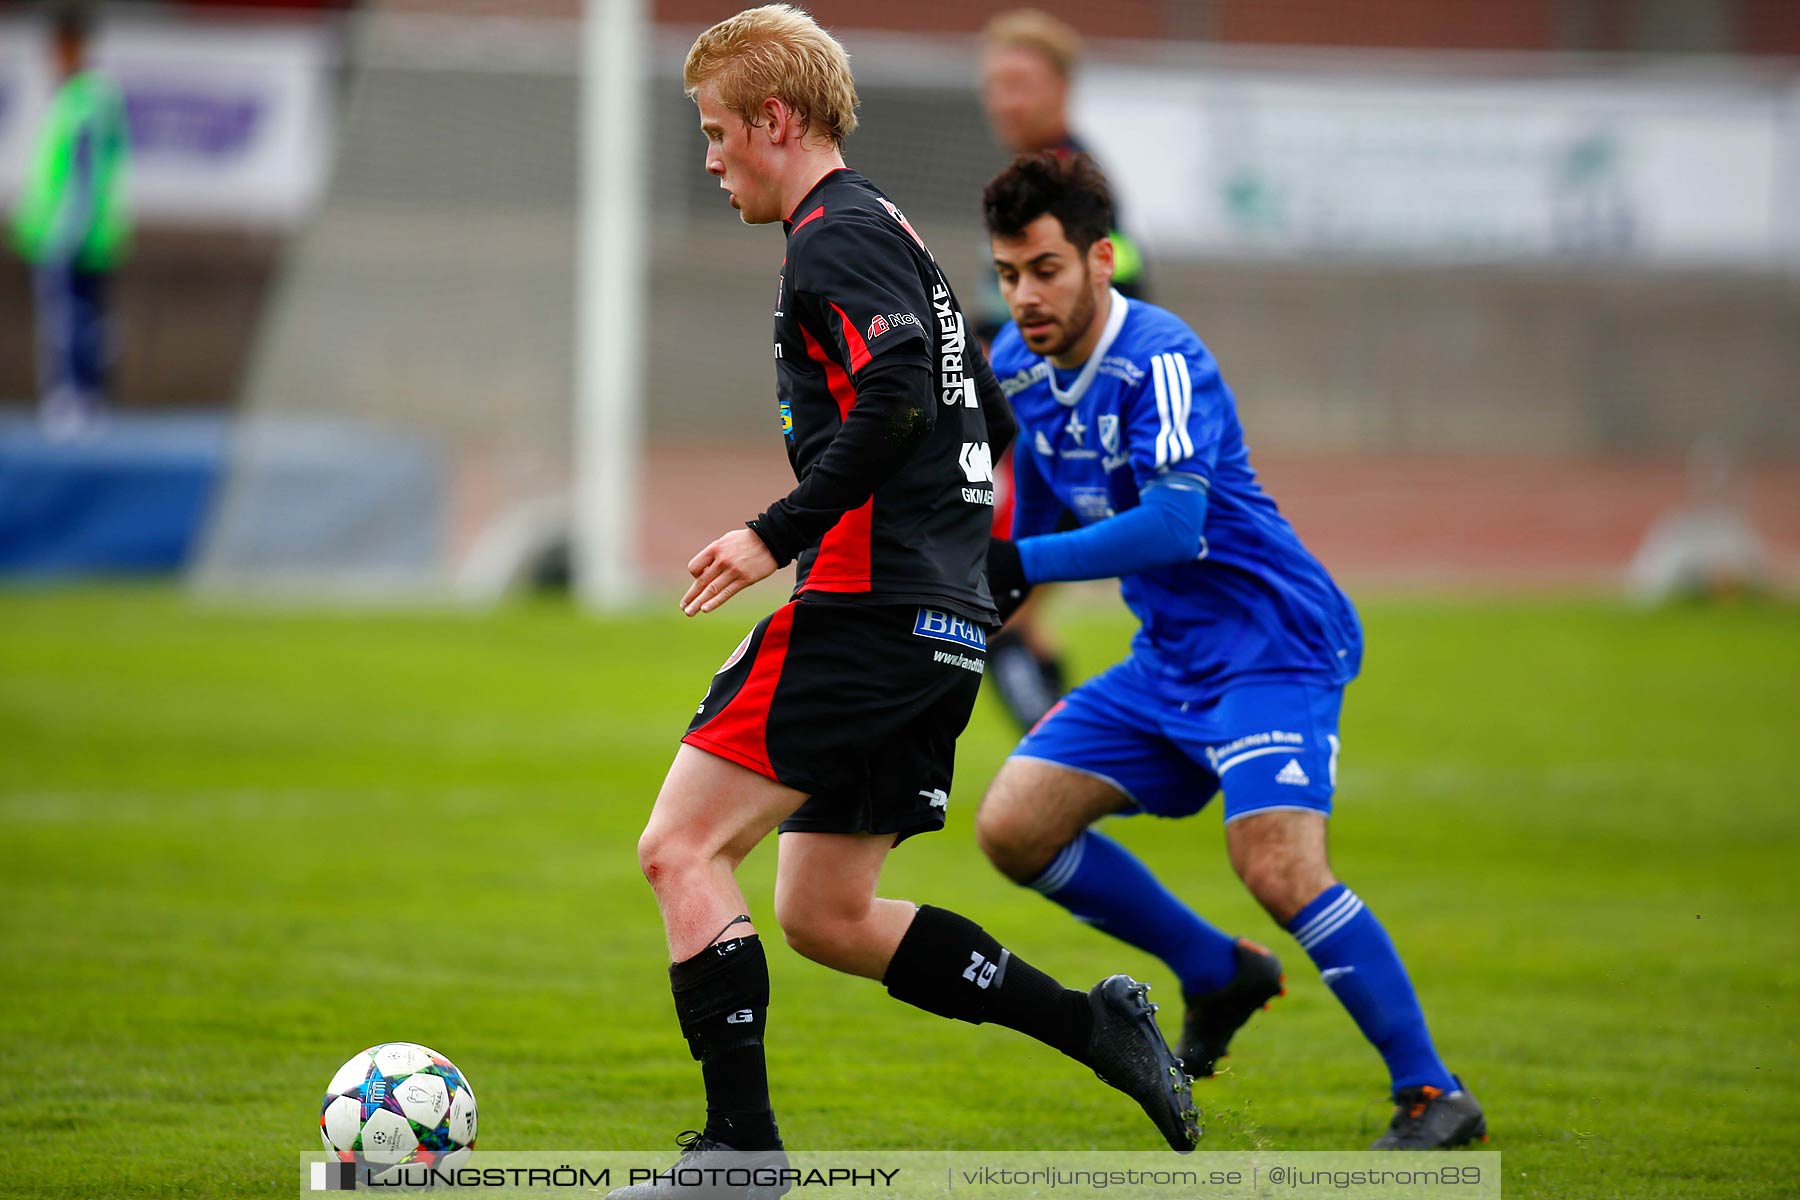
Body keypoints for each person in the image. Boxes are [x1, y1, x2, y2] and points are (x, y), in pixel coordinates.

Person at [611, 11, 1198, 1196]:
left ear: (778, 121)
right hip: (935, 622)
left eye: (720, 133)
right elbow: (967, 392)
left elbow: (899, 400)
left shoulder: (836, 239)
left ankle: (740, 1155)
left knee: (680, 849)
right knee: (827, 911)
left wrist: (770, 534)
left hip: (867, 613)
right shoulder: (890, 232)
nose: (713, 156)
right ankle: (1096, 1027)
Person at [975, 151, 1486, 1151]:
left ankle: (1435, 1096)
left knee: (1277, 862)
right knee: (1014, 828)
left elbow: (1171, 527)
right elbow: (1031, 507)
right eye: (1006, 274)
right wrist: (974, 601)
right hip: (1170, 657)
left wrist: (1013, 560)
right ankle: (1217, 972)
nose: (1024, 296)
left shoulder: (1161, 358)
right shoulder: (1018, 368)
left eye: (1043, 268)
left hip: (1272, 641)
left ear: (1101, 259)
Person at [975, 10, 1149, 734]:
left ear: (1063, 88)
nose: (1005, 100)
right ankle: (1065, 767)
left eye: (1022, 83)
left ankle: (1064, 769)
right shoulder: (1033, 177)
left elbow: (1123, 297)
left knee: (994, 613)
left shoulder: (1070, 180)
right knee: (1016, 619)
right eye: (995, 85)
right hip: (1047, 425)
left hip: (1069, 427)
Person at [11, 2, 131, 438]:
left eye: (59, 46)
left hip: (71, 236)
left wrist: (67, 231)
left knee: (73, 318)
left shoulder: (86, 99)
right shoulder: (70, 97)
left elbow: (82, 173)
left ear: (73, 45)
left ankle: (77, 396)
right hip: (70, 232)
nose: (54, 56)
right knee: (81, 318)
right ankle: (82, 396)